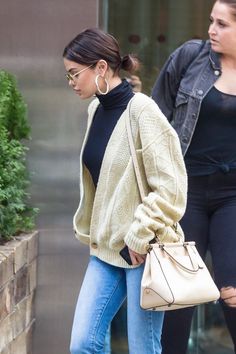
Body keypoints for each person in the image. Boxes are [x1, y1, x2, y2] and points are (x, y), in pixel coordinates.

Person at [63, 27, 187, 354]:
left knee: (143, 349)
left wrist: (140, 233)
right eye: (68, 76)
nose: (72, 82)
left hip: (141, 250)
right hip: (105, 249)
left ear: (101, 68)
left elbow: (172, 186)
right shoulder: (96, 110)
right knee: (82, 345)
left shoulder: (142, 112)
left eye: (75, 73)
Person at [151, 0, 236, 353]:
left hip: (233, 196)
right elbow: (153, 121)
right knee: (178, 294)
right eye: (211, 22)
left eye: (222, 24)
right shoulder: (192, 58)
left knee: (232, 290)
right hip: (185, 193)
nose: (212, 30)